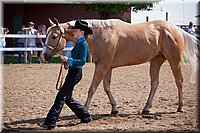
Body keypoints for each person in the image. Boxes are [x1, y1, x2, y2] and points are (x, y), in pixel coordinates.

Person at [38, 20, 93, 129]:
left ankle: (50, 122)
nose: (73, 32)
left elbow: (82, 61)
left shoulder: (83, 44)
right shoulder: (78, 43)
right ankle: (85, 116)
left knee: (61, 97)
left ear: (82, 31)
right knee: (67, 98)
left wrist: (69, 60)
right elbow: (75, 60)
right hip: (72, 72)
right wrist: (66, 61)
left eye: (76, 30)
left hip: (76, 73)